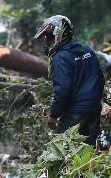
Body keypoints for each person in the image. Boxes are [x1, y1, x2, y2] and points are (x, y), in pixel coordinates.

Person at [34, 15, 105, 145]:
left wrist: (53, 115)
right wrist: (95, 101)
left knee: (65, 152)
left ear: (58, 34)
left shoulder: (60, 57)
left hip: (75, 113)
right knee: (90, 152)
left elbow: (62, 89)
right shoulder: (87, 50)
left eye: (49, 38)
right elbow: (100, 79)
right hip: (94, 110)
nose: (47, 42)